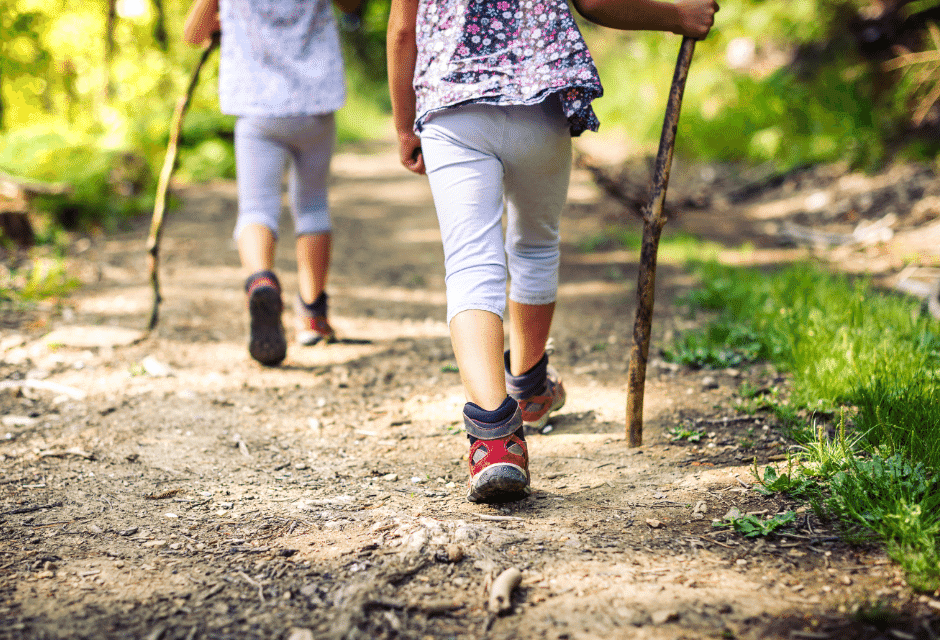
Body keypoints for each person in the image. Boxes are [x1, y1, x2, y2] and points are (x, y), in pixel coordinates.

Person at [387, 0, 717, 502]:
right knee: (535, 245)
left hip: (451, 105)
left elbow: (402, 29)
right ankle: (528, 385)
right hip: (537, 100)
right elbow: (595, 2)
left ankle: (495, 439)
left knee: (471, 263)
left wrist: (404, 125)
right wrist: (677, 14)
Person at [184, 0, 361, 366]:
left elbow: (193, 34)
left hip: (256, 106)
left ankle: (261, 281)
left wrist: (224, 20)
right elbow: (352, 5)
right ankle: (312, 317)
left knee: (256, 208)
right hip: (315, 103)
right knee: (312, 205)